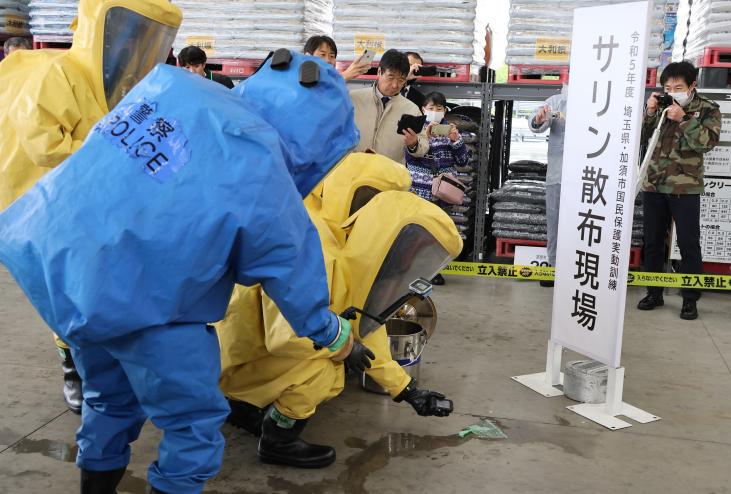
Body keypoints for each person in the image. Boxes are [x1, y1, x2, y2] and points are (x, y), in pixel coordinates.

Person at [0, 51, 359, 493]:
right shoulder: (262, 157)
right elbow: (290, 268)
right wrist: (334, 335)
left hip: (57, 262)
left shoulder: (172, 87)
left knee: (109, 399)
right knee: (193, 424)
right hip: (140, 299)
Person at [219, 152, 459, 469]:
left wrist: (406, 390)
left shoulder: (327, 232)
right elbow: (291, 336)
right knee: (325, 372)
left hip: (232, 349)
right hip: (229, 354)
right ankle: (278, 438)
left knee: (333, 350)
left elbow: (359, 323)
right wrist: (346, 350)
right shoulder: (314, 242)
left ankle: (241, 404)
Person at [0, 0, 182, 415]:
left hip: (91, 205)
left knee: (101, 289)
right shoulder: (59, 74)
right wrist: (119, 156)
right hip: (43, 206)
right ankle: (73, 367)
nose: (134, 46)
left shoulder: (129, 89)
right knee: (69, 293)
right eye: (130, 32)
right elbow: (45, 145)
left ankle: (99, 364)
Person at [638, 61, 722, 320]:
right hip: (653, 184)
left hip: (685, 188)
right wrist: (650, 113)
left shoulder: (707, 108)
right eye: (667, 86)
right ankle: (654, 292)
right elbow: (638, 139)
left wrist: (684, 119)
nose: (672, 91)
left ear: (692, 86)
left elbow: (706, 144)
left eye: (678, 87)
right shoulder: (661, 106)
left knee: (688, 244)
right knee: (652, 243)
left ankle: (689, 299)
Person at [405, 91, 468, 285]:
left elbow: (463, 161)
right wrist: (423, 137)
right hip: (421, 189)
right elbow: (409, 156)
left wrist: (456, 140)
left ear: (445, 111)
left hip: (444, 192)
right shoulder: (416, 129)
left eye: (438, 108)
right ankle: (416, 270)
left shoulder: (450, 131)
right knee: (420, 231)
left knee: (440, 231)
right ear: (423, 109)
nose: (434, 112)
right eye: (430, 108)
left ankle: (435, 271)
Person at [350, 49, 430, 164]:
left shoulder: (411, 109)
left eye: (401, 80)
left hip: (389, 176)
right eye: (390, 77)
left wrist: (414, 144)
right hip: (354, 173)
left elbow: (423, 146)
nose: (395, 85)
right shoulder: (354, 99)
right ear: (379, 72)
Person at [529, 84, 567, 288]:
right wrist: (538, 119)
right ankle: (553, 266)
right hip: (558, 174)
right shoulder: (557, 100)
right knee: (555, 222)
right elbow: (537, 123)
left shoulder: (601, 101)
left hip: (590, 176)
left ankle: (579, 267)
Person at [303, 34, 370, 81]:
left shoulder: (332, 81)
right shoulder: (298, 82)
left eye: (332, 56)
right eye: (322, 54)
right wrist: (344, 76)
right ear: (308, 56)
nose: (328, 60)